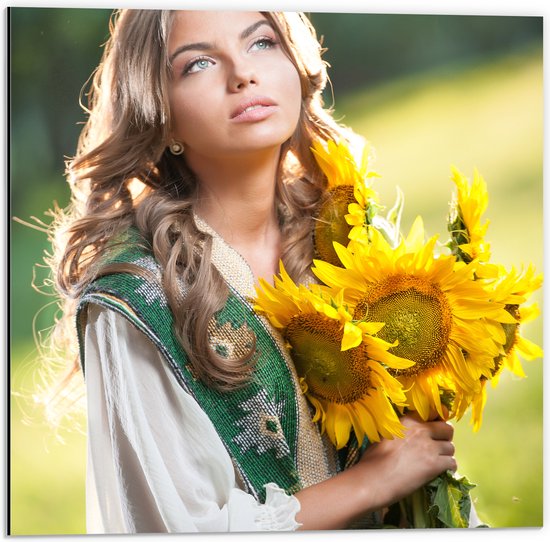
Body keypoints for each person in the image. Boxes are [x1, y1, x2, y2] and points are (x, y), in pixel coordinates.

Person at [48, 9, 464, 533]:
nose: (242, 74)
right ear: (161, 111)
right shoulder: (136, 298)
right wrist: (373, 482)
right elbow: (178, 528)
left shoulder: (353, 239)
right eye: (198, 63)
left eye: (262, 43)